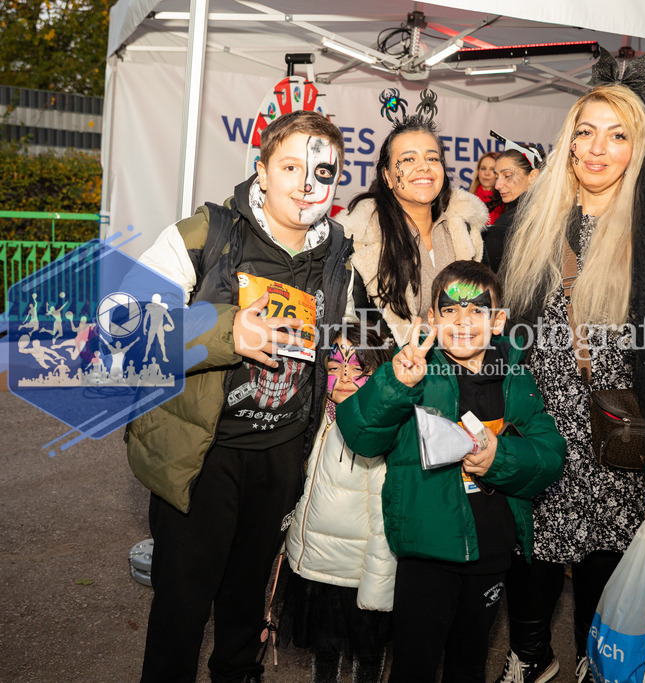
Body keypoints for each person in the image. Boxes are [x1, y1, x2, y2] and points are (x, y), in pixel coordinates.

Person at [494, 55, 645, 683]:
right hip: (539, 420)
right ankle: (530, 655)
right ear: (568, 138)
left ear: (638, 145)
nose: (597, 149)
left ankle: (590, 659)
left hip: (621, 427)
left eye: (617, 134)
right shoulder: (532, 214)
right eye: (585, 132)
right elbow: (506, 316)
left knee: (605, 549)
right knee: (531, 550)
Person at [128, 110, 354, 683]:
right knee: (182, 604)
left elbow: (332, 340)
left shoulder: (336, 255)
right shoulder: (208, 232)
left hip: (279, 455)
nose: (307, 184)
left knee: (248, 603)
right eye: (291, 167)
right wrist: (228, 332)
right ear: (261, 172)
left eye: (322, 171)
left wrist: (343, 372)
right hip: (203, 454)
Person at [337, 260, 566, 683]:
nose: (463, 321)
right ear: (431, 320)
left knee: (469, 661)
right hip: (427, 550)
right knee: (414, 665)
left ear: (497, 322)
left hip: (491, 551)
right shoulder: (414, 374)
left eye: (477, 311)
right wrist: (395, 385)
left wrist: (501, 459)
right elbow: (360, 434)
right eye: (449, 310)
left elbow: (551, 454)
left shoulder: (515, 378)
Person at [279, 325, 397, 683]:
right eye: (333, 368)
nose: (343, 378)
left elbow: (382, 517)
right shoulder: (322, 419)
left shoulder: (378, 433)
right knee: (324, 650)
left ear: (379, 372)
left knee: (367, 653)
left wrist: (378, 586)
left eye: (357, 368)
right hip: (317, 566)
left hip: (358, 577)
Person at [337, 115, 488, 347]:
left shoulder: (467, 232)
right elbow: (355, 332)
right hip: (391, 372)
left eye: (432, 158)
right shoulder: (360, 242)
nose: (424, 167)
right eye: (408, 159)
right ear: (387, 176)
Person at [484, 142, 542, 274]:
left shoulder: (509, 223)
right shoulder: (550, 213)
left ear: (532, 176)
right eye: (497, 176)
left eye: (507, 176)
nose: (498, 185)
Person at [468, 150, 502, 224]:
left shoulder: (506, 203)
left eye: (492, 169)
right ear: (478, 172)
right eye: (483, 168)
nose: (486, 173)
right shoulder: (466, 200)